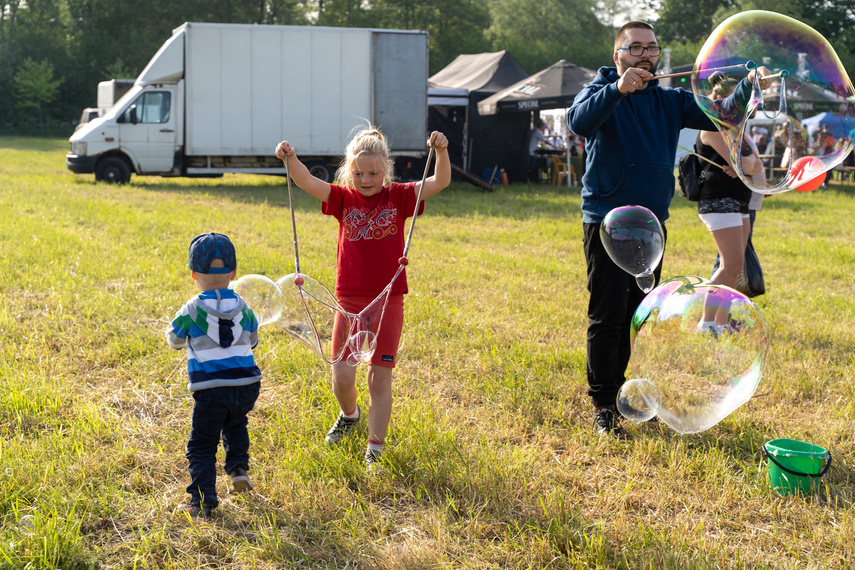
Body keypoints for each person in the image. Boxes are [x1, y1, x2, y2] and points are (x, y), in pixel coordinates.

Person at [566, 21, 770, 438]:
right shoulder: (600, 91)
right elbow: (579, 123)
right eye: (635, 47)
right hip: (607, 218)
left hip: (651, 223)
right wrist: (619, 89)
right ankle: (604, 403)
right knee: (607, 312)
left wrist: (748, 85)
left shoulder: (671, 100)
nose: (645, 55)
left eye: (652, 48)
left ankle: (623, 390)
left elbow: (724, 115)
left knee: (633, 313)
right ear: (617, 55)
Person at [274, 126, 450, 468]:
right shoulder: (343, 198)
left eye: (373, 173)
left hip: (387, 301)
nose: (365, 179)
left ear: (386, 170)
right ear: (347, 171)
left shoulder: (398, 197)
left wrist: (441, 152)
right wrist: (291, 158)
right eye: (358, 173)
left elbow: (439, 181)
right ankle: (350, 415)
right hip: (349, 300)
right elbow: (309, 182)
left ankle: (375, 447)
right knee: (341, 374)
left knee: (378, 377)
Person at [166, 233, 262, 518]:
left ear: (194, 273)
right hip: (246, 384)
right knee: (235, 424)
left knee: (202, 445)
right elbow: (253, 338)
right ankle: (237, 468)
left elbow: (175, 340)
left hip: (211, 390)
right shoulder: (243, 306)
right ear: (233, 272)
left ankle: (201, 500)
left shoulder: (192, 308)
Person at [695, 74, 765, 332]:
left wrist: (747, 166)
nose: (747, 108)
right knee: (730, 264)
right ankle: (706, 323)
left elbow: (753, 166)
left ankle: (721, 322)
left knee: (734, 267)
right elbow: (747, 164)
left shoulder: (736, 130)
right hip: (719, 200)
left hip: (738, 200)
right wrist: (746, 166)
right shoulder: (712, 127)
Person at [528, 117, 557, 182]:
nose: (543, 128)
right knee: (537, 164)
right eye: (543, 127)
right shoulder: (537, 132)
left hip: (530, 151)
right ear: (541, 126)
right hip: (531, 152)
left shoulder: (534, 131)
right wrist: (553, 146)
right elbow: (545, 141)